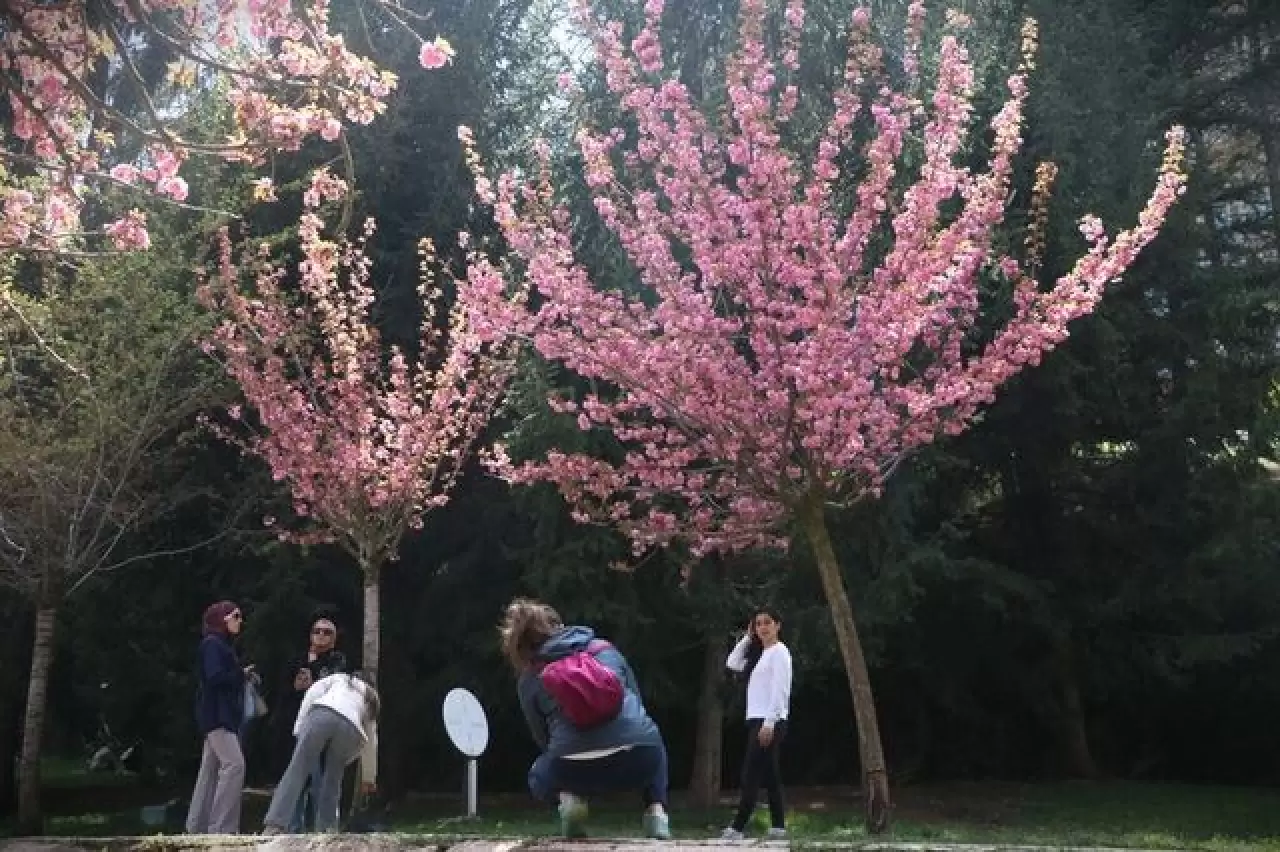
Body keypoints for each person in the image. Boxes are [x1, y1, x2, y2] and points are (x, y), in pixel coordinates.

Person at [500, 598, 671, 840]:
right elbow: (637, 703)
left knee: (538, 774)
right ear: (557, 625)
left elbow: (542, 737)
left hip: (573, 768)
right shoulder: (605, 649)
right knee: (653, 738)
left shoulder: (530, 678)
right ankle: (656, 811)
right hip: (639, 758)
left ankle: (571, 801)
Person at [262, 672, 379, 835]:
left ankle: (275, 824)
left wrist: (299, 728)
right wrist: (369, 778)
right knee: (333, 779)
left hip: (322, 713)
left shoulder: (339, 678)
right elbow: (371, 741)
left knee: (297, 770)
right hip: (351, 727)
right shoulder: (370, 698)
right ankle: (327, 829)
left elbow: (312, 693)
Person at [720, 607, 792, 841]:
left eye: (767, 622)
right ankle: (779, 826)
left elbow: (780, 690)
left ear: (778, 625)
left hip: (769, 721)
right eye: (758, 623)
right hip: (757, 719)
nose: (763, 627)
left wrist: (769, 723)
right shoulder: (761, 654)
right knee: (770, 775)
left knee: (751, 773)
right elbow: (732, 663)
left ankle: (737, 828)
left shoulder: (780, 652)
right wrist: (747, 638)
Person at [272, 614, 348, 831]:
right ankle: (291, 831)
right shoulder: (295, 659)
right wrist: (295, 688)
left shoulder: (337, 661)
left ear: (334, 639)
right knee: (294, 780)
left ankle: (320, 831)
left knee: (319, 783)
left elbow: (336, 691)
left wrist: (313, 682)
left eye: (327, 632)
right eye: (317, 631)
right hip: (292, 727)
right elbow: (281, 692)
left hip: (320, 730)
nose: (321, 635)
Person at [185, 601, 251, 834]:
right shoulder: (213, 644)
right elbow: (215, 677)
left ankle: (196, 827)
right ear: (222, 619)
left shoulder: (219, 644)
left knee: (209, 770)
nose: (240, 620)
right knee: (234, 765)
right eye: (235, 616)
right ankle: (222, 828)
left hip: (216, 714)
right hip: (217, 715)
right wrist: (239, 675)